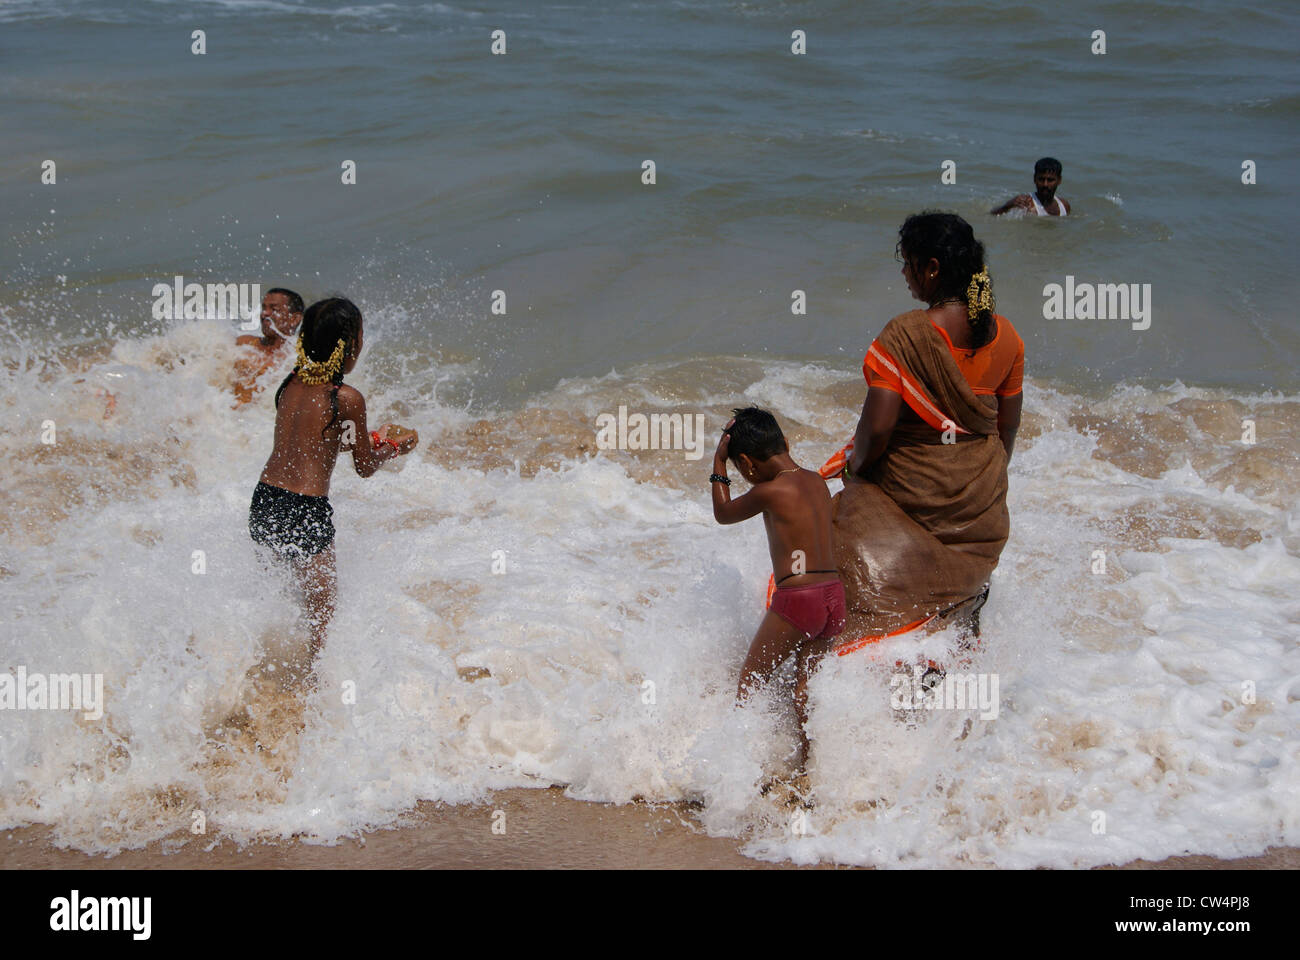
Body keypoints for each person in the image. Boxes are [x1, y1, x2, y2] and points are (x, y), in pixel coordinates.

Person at [836, 212, 1022, 641]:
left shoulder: (905, 335)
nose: (904, 273)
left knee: (832, 539)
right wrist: (979, 485)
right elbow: (1006, 428)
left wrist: (855, 470)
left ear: (932, 268)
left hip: (915, 502)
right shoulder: (1009, 336)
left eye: (907, 262)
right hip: (983, 516)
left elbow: (877, 431)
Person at [248, 297, 418, 669]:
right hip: (305, 510)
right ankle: (313, 681)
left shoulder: (289, 384)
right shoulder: (346, 398)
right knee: (322, 611)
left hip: (264, 499)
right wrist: (391, 446)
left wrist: (362, 438)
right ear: (351, 346)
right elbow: (364, 468)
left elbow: (311, 443)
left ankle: (263, 664)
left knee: (276, 594)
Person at [711, 407, 845, 776]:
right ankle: (809, 770)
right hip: (834, 597)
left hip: (798, 599)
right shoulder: (817, 481)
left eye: (740, 469)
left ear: (747, 464)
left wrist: (718, 465)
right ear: (785, 443)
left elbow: (723, 513)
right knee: (805, 689)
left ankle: (741, 774)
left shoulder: (769, 491)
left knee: (750, 684)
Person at [232, 287, 304, 405]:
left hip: (263, 421)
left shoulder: (298, 358)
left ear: (294, 319)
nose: (264, 314)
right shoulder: (243, 343)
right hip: (225, 419)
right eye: (264, 308)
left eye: (274, 309)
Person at [990, 157, 1070, 217]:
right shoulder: (1026, 204)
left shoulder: (1064, 206)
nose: (1045, 184)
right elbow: (992, 215)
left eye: (1050, 180)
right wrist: (1007, 206)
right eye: (1041, 179)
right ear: (1034, 179)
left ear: (1059, 180)